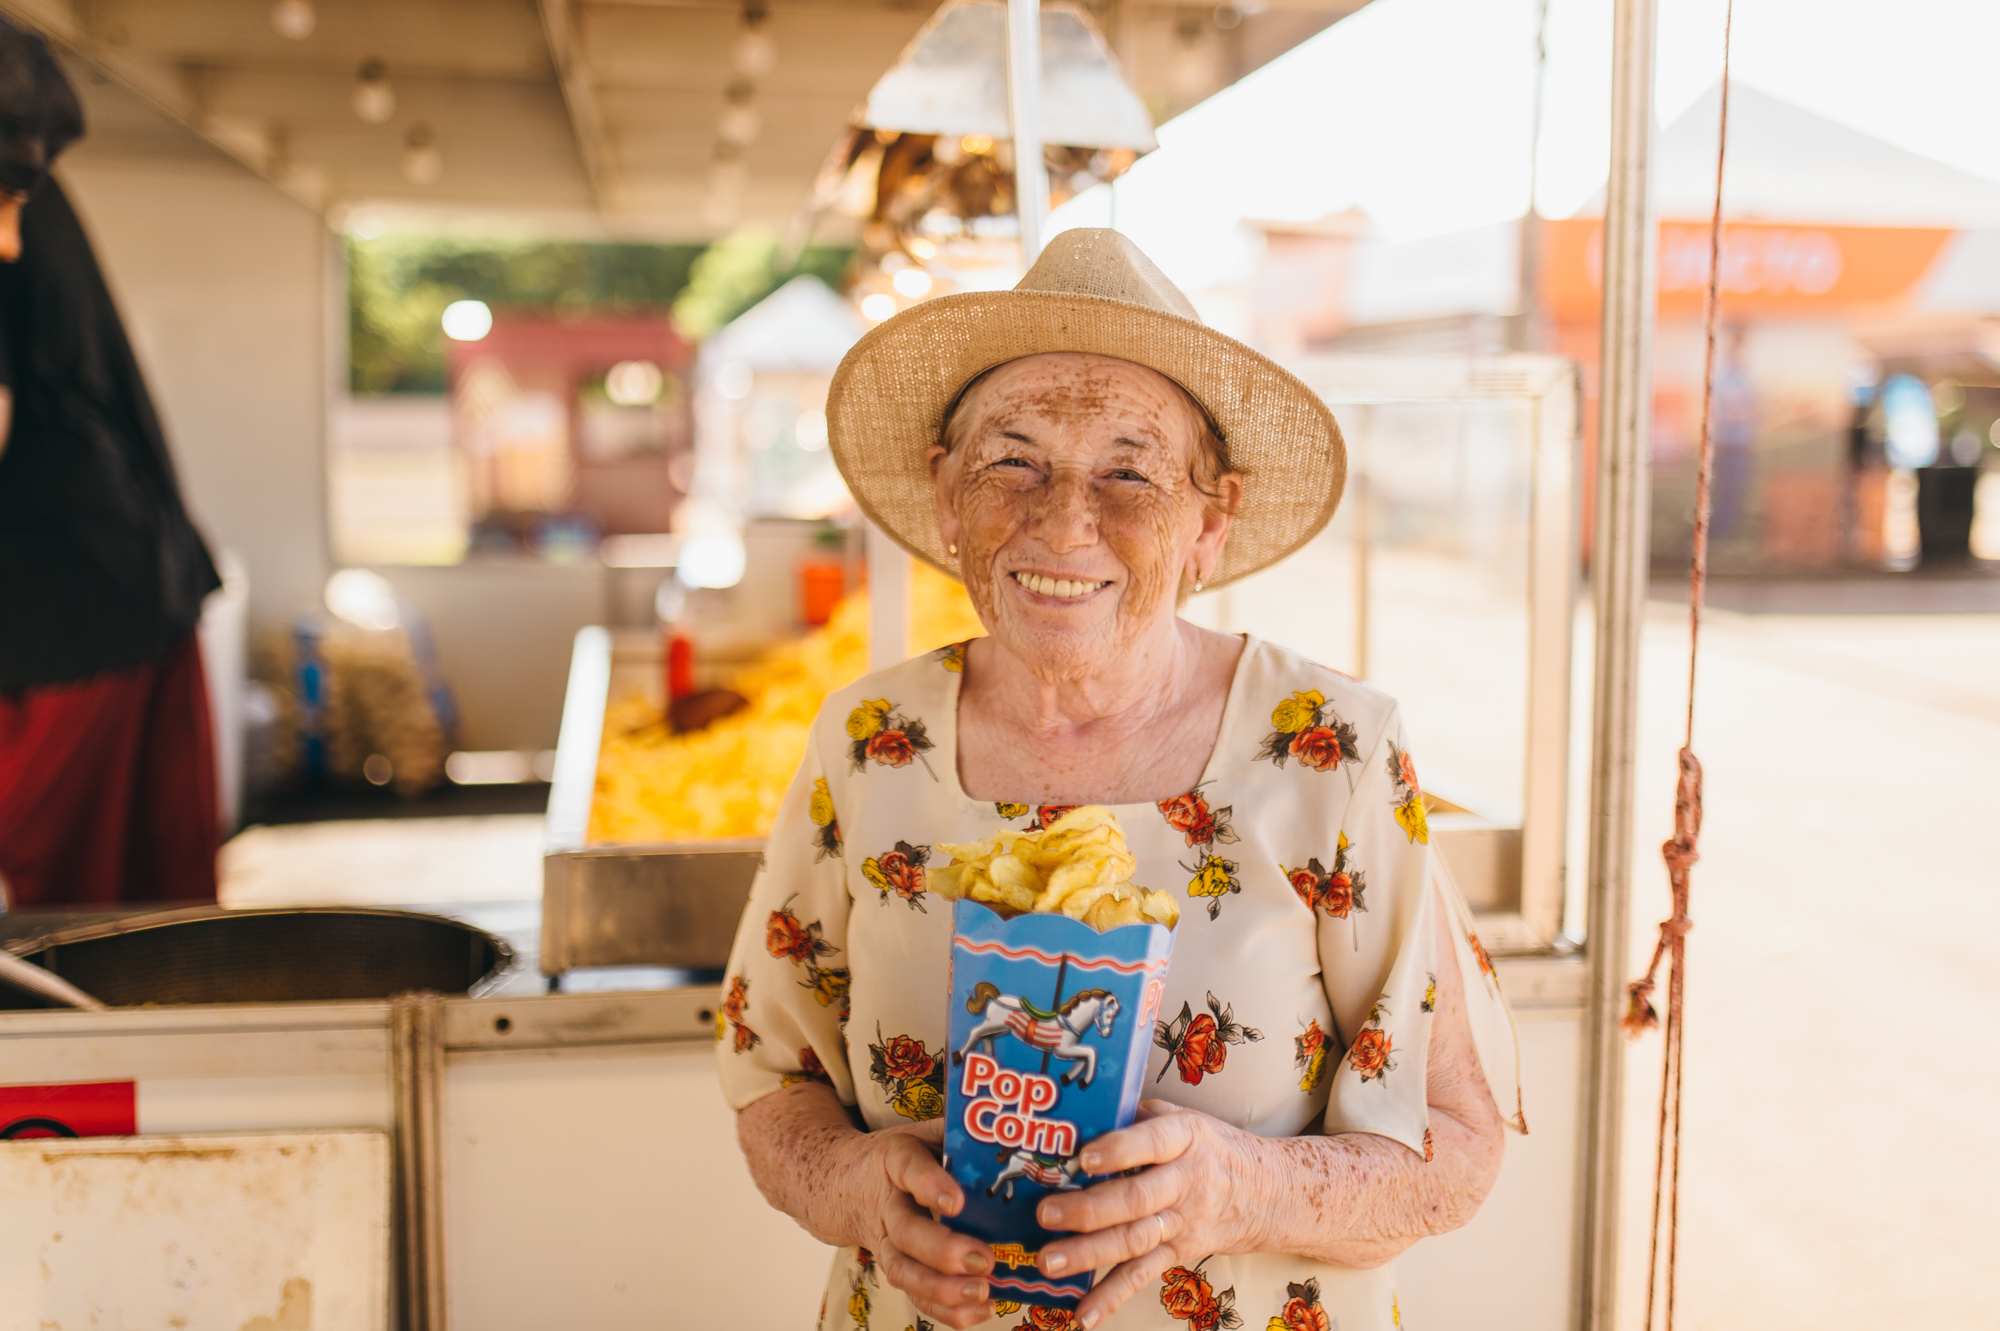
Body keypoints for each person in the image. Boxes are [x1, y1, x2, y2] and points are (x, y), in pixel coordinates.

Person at [718, 229, 1524, 1331]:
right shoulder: (870, 740)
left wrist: (1240, 1187)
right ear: (945, 496)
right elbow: (771, 1074)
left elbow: (1457, 1141)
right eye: (1012, 459)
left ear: (1208, 522)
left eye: (1129, 471)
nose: (1062, 519)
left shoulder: (1330, 752)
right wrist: (857, 1190)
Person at [0, 19, 223, 907]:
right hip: (125, 586)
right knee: (142, 912)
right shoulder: (35, 202)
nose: (10, 236)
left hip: (75, 611)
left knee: (83, 922)